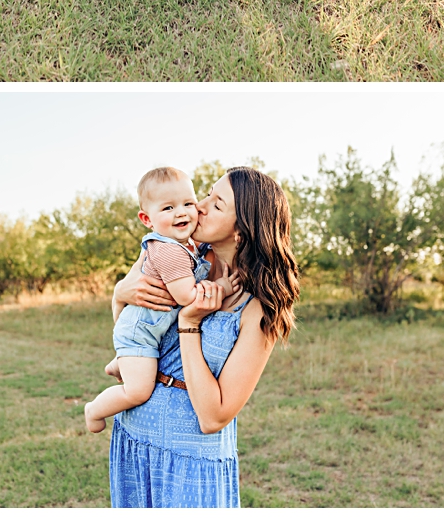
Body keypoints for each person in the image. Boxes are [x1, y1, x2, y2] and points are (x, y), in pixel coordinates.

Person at [106, 168, 299, 508]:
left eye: (217, 203)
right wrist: (120, 294)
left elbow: (214, 417)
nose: (200, 205)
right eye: (207, 193)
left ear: (242, 230)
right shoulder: (175, 253)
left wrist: (190, 323)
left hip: (189, 458)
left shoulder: (258, 308)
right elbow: (131, 330)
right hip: (135, 435)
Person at [83, 168, 211, 434]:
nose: (181, 212)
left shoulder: (184, 244)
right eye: (168, 208)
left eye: (188, 203)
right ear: (146, 218)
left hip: (146, 329)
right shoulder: (168, 251)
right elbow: (186, 296)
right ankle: (94, 409)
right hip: (140, 334)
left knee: (139, 366)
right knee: (138, 391)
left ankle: (120, 361)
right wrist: (216, 287)